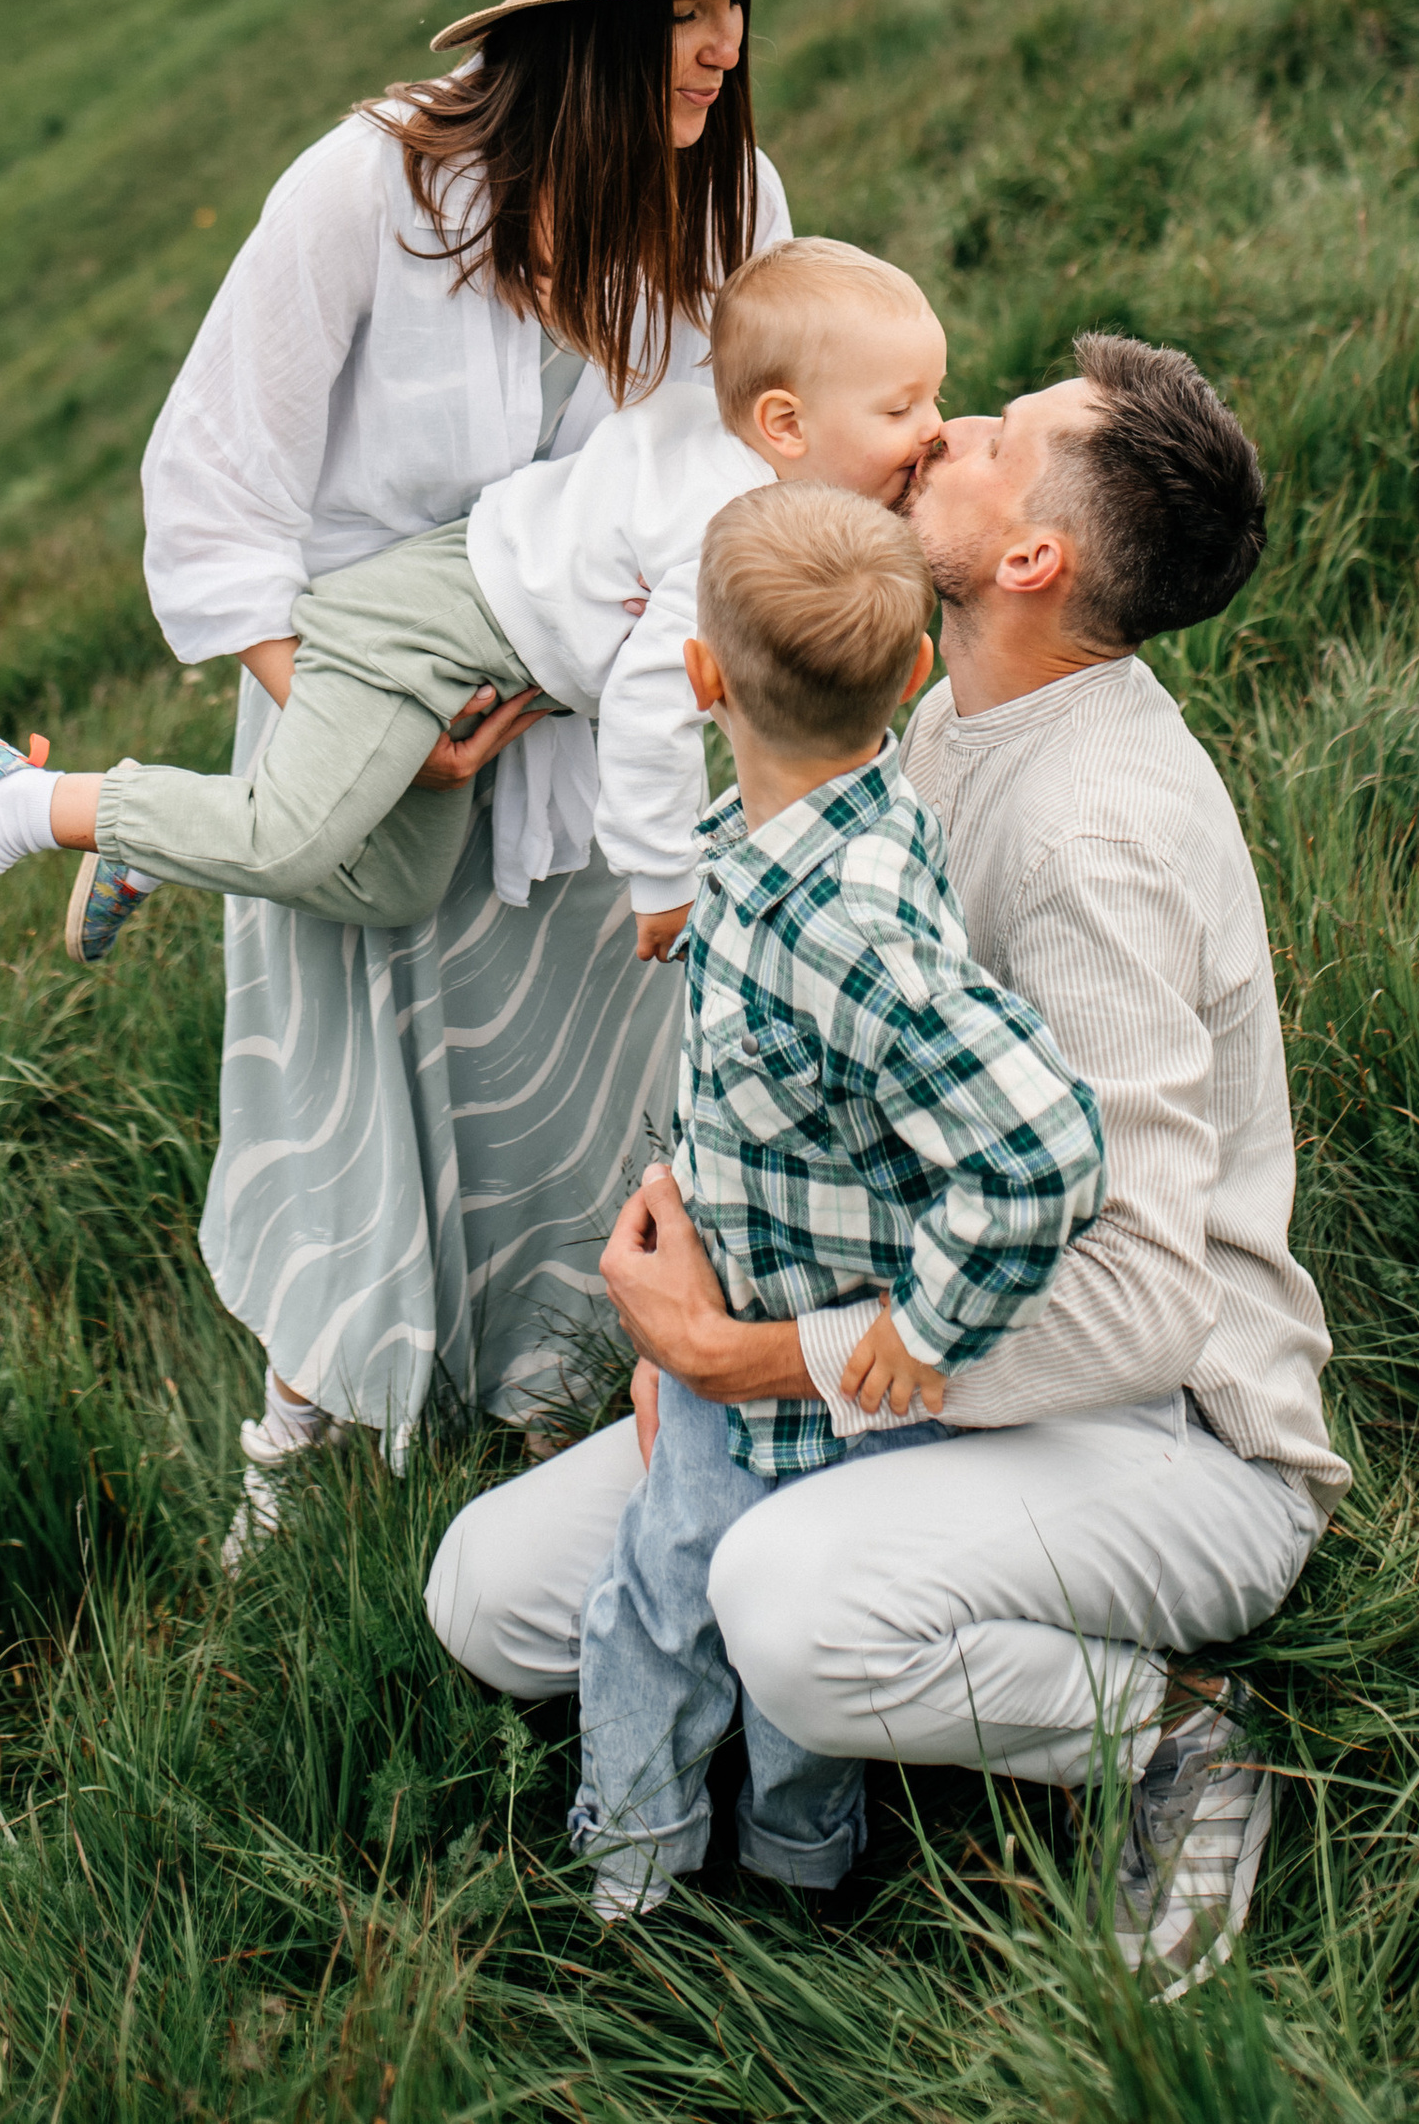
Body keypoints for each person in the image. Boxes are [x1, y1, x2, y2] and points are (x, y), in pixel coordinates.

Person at [0, 0, 848, 1543]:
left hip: (603, 738)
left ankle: (551, 1441)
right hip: (359, 700)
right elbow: (220, 482)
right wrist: (352, 711)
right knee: (368, 1111)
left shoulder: (736, 198)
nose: (725, 44)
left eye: (733, 2)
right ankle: (288, 1480)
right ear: (574, 34)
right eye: (681, 13)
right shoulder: (367, 191)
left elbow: (742, 469)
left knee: (582, 1098)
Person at [426, 332, 1346, 1992]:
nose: (960, 428)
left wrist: (749, 1357)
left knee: (784, 1602)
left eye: (1006, 437)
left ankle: (1180, 1734)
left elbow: (1141, 1304)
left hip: (1174, 1433)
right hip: (929, 1345)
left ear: (1029, 557)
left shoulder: (1094, 837)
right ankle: (829, 1692)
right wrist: (709, 1236)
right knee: (489, 1594)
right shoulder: (926, 718)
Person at [0, 236, 946, 958]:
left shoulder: (747, 457)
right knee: (287, 839)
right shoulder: (725, 540)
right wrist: (662, 883)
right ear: (784, 428)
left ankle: (144, 833)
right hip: (423, 625)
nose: (933, 427)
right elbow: (647, 712)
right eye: (905, 408)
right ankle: (9, 804)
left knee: (392, 889)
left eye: (935, 400)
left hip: (471, 645)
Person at [569, 485, 1106, 1921]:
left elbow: (1045, 1141)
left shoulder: (837, 918)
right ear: (913, 673)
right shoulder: (827, 833)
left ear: (701, 679)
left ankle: (642, 1886)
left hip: (796, 1387)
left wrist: (926, 1323)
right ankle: (794, 1877)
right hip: (756, 1331)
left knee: (664, 1612)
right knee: (731, 1631)